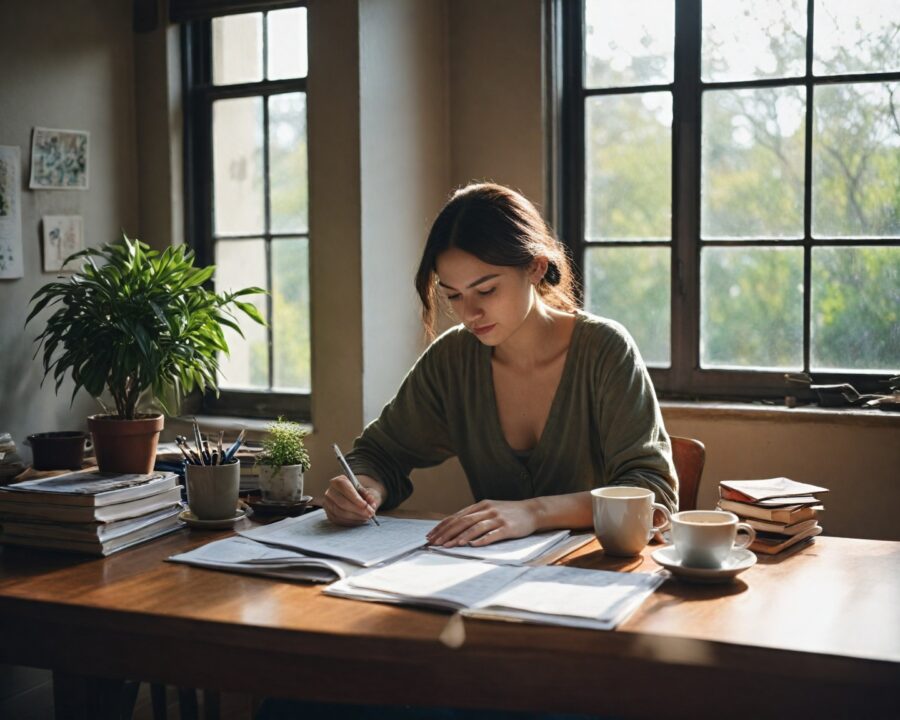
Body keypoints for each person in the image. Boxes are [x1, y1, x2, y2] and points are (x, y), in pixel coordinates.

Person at [323, 182, 677, 543]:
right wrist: (363, 489)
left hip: (595, 569)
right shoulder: (453, 360)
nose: (470, 313)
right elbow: (379, 453)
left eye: (486, 290)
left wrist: (533, 512)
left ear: (536, 267)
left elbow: (653, 492)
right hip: (492, 572)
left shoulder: (604, 350)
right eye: (454, 296)